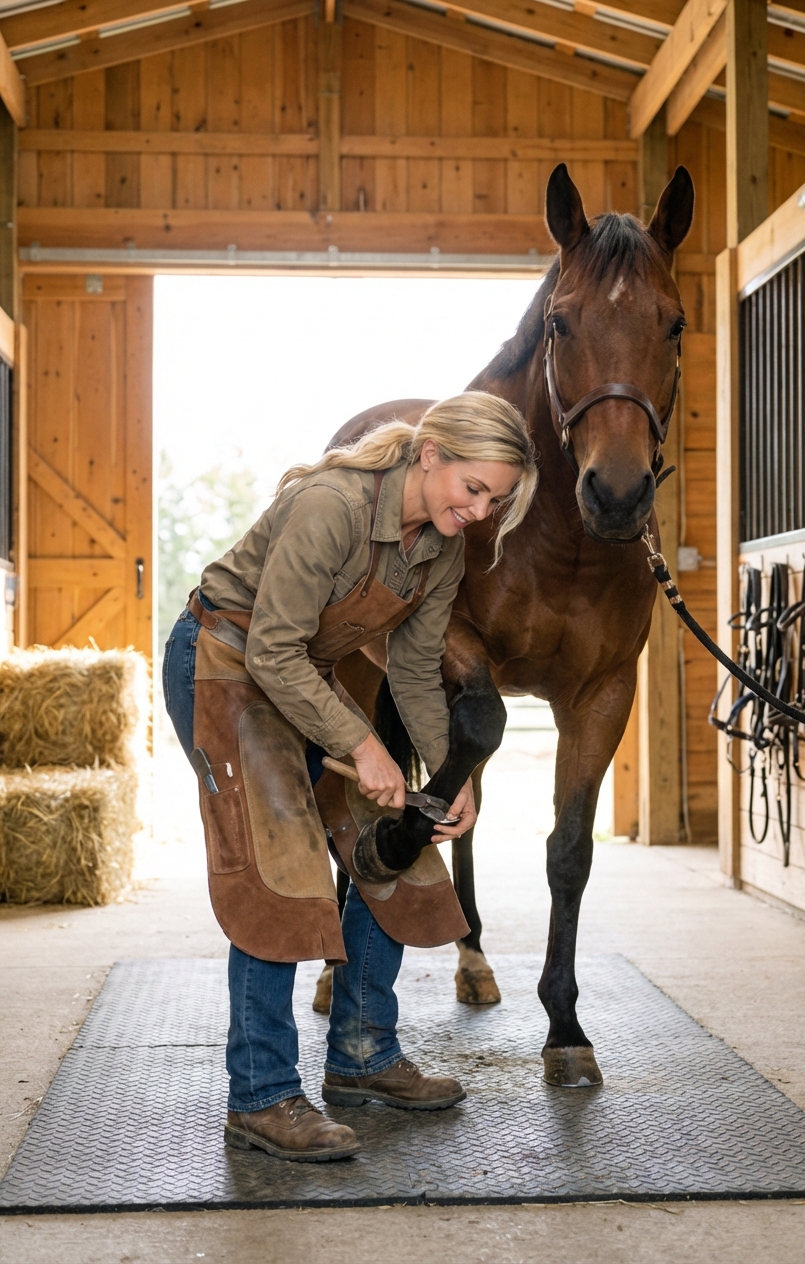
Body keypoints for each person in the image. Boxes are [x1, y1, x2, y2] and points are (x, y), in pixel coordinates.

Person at [163, 391, 537, 1163]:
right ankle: (261, 1096)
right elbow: (269, 651)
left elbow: (410, 669)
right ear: (431, 454)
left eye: (495, 500)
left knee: (397, 842)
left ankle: (364, 1053)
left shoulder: (441, 545)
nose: (478, 510)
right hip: (225, 661)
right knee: (282, 868)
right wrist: (363, 747)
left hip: (303, 672)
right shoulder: (330, 505)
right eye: (473, 489)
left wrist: (447, 774)